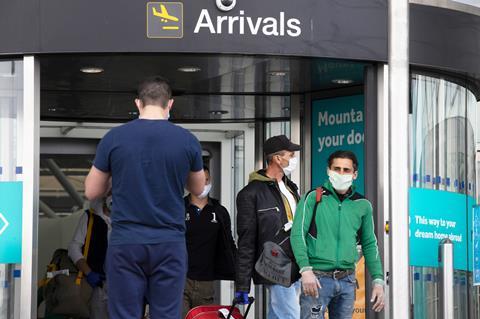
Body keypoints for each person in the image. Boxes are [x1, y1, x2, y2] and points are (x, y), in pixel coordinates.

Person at [84, 76, 206, 319]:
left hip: (126, 242)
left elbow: (91, 192)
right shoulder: (187, 140)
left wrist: (113, 177)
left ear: (138, 103)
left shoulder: (114, 138)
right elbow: (198, 187)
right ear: (169, 104)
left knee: (124, 314)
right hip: (169, 242)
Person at [291, 150, 385, 319]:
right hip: (316, 278)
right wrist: (305, 270)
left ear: (354, 174)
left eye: (346, 170)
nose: (341, 173)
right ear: (328, 171)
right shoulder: (313, 197)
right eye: (337, 169)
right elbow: (297, 234)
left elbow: (370, 243)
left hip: (347, 280)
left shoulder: (362, 205)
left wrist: (378, 280)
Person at [235, 135, 302, 319]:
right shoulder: (250, 194)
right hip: (274, 264)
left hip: (297, 263)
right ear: (277, 158)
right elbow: (246, 241)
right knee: (291, 315)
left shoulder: (291, 188)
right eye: (291, 154)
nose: (293, 159)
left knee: (278, 314)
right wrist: (242, 285)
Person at [183, 166, 237, 317]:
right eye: (199, 180)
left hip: (206, 281)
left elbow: (229, 245)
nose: (204, 183)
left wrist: (239, 276)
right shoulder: (179, 209)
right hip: (180, 279)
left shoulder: (219, 212)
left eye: (206, 179)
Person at [68, 196, 112, 319]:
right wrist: (89, 272)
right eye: (110, 192)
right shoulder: (90, 218)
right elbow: (73, 248)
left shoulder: (128, 219)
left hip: (123, 283)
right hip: (98, 285)